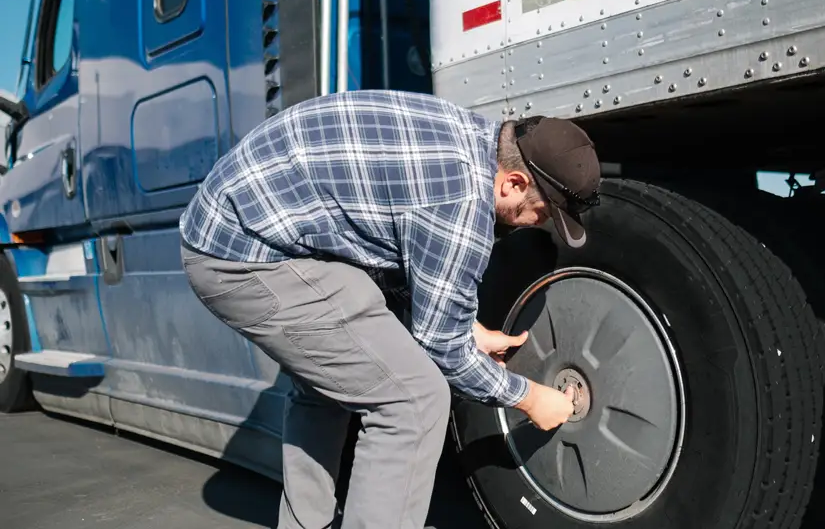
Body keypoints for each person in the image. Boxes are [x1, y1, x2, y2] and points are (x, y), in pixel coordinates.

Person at [179, 89, 602, 529]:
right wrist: (530, 398)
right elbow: (442, 350)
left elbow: (390, 240)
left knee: (335, 379)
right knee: (414, 401)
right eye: (542, 212)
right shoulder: (458, 203)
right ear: (511, 183)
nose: (540, 224)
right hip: (237, 256)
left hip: (255, 224)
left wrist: (465, 328)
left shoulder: (477, 137)